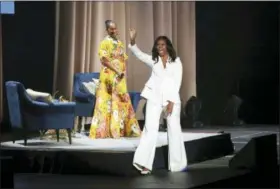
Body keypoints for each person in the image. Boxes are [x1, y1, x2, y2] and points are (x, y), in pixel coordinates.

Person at [128, 29, 187, 174]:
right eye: (158, 45)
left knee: (174, 130)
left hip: (171, 99)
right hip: (154, 98)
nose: (160, 47)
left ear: (168, 46)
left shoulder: (176, 62)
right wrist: (133, 41)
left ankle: (177, 164)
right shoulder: (154, 61)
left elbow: (177, 83)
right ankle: (145, 164)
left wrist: (172, 102)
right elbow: (139, 55)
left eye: (163, 45)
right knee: (149, 129)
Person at [89, 20, 141, 139]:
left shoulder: (119, 43)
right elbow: (104, 60)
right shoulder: (104, 43)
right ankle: (102, 131)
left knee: (120, 102)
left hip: (119, 79)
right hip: (108, 77)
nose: (114, 31)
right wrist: (116, 70)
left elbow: (123, 58)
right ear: (107, 30)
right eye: (111, 29)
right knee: (105, 103)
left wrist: (122, 71)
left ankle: (118, 130)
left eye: (115, 28)